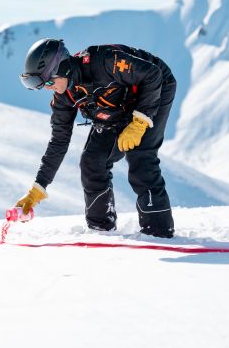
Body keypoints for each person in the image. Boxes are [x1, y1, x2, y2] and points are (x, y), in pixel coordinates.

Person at [15, 38, 176, 238]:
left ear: (63, 68)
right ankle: (101, 229)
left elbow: (153, 75)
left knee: (141, 157)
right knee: (92, 162)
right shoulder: (64, 96)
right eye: (40, 84)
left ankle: (158, 231)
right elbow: (59, 141)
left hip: (155, 87)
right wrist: (38, 188)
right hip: (115, 105)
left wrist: (140, 121)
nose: (47, 88)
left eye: (48, 81)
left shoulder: (104, 62)